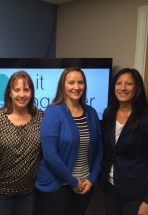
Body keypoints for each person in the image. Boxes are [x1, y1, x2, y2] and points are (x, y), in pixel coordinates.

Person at [34, 66, 103, 215]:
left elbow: (99, 150)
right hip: (58, 187)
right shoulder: (53, 112)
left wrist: (92, 179)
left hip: (85, 186)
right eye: (71, 83)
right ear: (63, 85)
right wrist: (73, 182)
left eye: (80, 82)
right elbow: (50, 155)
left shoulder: (91, 113)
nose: (76, 87)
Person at [99, 68, 148, 215]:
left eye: (128, 84)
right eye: (119, 83)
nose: (123, 88)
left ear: (137, 88)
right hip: (110, 188)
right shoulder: (108, 113)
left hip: (136, 194)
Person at [0, 70, 44, 215]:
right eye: (17, 90)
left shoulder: (41, 117)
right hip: (1, 192)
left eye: (26, 90)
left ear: (31, 93)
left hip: (29, 192)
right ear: (9, 93)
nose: (22, 95)